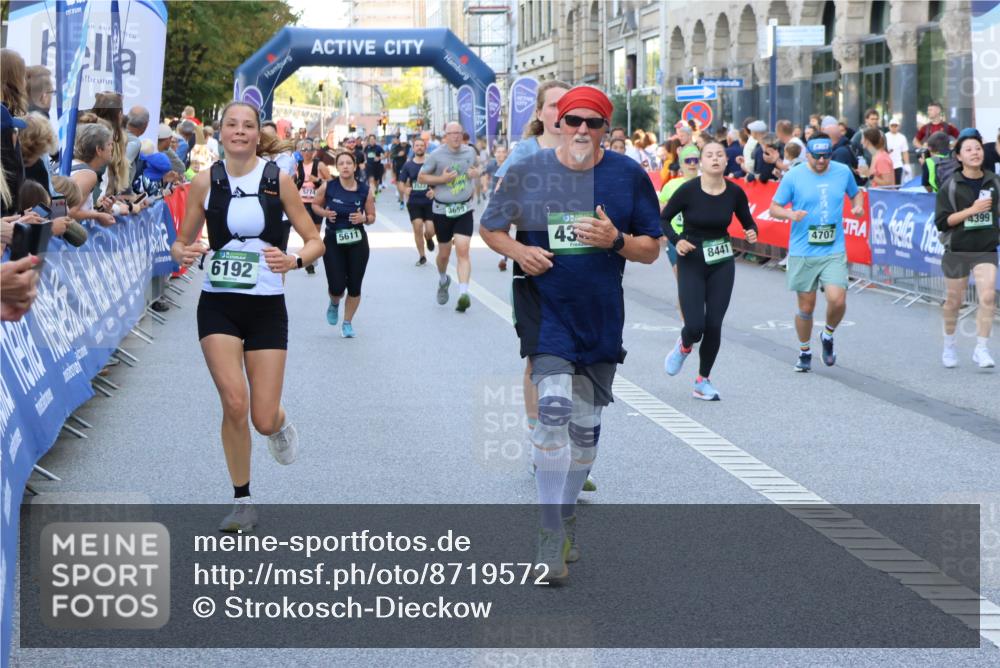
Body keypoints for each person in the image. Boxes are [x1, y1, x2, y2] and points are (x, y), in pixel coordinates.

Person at [480, 86, 660, 581]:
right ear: (556, 120)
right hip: (546, 306)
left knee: (583, 432)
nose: (581, 129)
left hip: (600, 312)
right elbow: (490, 226)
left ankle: (566, 511)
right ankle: (548, 528)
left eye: (593, 122)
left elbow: (650, 249)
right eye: (572, 119)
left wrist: (616, 240)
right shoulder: (527, 170)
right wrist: (519, 253)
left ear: (606, 129)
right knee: (553, 406)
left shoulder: (627, 176)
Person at [171, 101, 325, 532]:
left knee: (261, 416)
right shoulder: (205, 182)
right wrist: (183, 252)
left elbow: (316, 241)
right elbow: (180, 244)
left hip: (266, 305)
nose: (239, 131)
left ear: (259, 134)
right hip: (218, 301)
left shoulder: (279, 180)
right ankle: (243, 500)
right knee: (233, 401)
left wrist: (294, 261)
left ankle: (278, 423)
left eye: (248, 126)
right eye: (232, 125)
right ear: (220, 132)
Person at [661, 141, 759, 400]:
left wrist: (752, 232)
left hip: (722, 260)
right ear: (702, 162)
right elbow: (663, 218)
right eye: (709, 155)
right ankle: (683, 347)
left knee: (714, 324)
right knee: (695, 326)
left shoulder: (735, 193)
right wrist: (677, 239)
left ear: (726, 161)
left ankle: (702, 381)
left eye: (719, 155)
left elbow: (748, 222)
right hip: (692, 257)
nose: (715, 159)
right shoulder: (688, 190)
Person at [767, 134, 866, 372]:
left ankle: (828, 335)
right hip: (803, 250)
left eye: (826, 156)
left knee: (837, 299)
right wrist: (790, 215)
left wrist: (858, 205)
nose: (822, 161)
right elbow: (774, 208)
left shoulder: (842, 171)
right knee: (806, 307)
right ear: (807, 155)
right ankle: (804, 351)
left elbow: (856, 192)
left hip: (833, 249)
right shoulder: (793, 175)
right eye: (817, 156)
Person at [935, 131, 998, 369]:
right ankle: (949, 344)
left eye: (978, 148)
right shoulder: (950, 185)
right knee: (954, 301)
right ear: (959, 156)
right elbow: (942, 222)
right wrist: (972, 210)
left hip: (985, 248)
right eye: (969, 149)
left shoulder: (994, 181)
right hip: (958, 248)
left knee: (988, 296)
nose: (975, 152)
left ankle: (981, 348)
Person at [418, 120, 481, 312]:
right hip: (442, 210)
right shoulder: (437, 156)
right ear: (445, 136)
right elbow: (421, 177)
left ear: (462, 134)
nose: (455, 136)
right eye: (451, 133)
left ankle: (463, 294)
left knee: (463, 250)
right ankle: (443, 279)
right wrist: (441, 180)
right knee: (444, 254)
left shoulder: (470, 152)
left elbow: (476, 169)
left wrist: (475, 173)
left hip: (464, 209)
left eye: (458, 133)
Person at [312, 150, 375, 337]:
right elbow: (315, 205)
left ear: (355, 166)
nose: (345, 166)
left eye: (349, 163)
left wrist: (363, 218)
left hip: (357, 242)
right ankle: (334, 302)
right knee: (337, 286)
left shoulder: (365, 189)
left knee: (355, 285)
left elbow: (372, 216)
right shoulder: (328, 187)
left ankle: (347, 323)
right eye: (342, 163)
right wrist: (325, 214)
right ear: (337, 167)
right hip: (333, 241)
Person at [658, 143, 702, 277]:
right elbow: (661, 213)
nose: (692, 164)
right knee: (683, 284)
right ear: (682, 164)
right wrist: (666, 234)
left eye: (696, 160)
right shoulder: (671, 186)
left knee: (700, 285)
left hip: (701, 239)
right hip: (676, 238)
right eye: (688, 160)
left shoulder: (707, 184)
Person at [294, 138, 331, 274]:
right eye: (303, 150)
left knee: (315, 232)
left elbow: (330, 181)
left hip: (317, 201)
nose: (306, 152)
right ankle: (309, 260)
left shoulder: (319, 165)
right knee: (306, 232)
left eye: (308, 149)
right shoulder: (296, 165)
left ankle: (312, 254)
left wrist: (318, 180)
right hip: (302, 202)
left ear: (313, 152)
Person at [69, 123, 117, 227]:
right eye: (109, 144)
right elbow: (71, 212)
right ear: (99, 150)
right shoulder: (88, 175)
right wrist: (97, 215)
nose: (112, 148)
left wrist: (101, 209)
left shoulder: (69, 164)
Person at [398, 137, 436, 266]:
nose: (419, 147)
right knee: (417, 226)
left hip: (429, 201)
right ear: (413, 148)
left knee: (431, 229)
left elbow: (440, 180)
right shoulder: (408, 165)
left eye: (421, 145)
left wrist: (435, 191)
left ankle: (428, 237)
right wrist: (405, 189)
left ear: (425, 148)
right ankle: (422, 256)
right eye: (417, 146)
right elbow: (401, 182)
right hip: (414, 201)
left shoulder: (431, 163)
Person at [885, 118, 910, 185]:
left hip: (898, 164)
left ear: (898, 126)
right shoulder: (885, 136)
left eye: (895, 126)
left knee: (897, 184)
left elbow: (905, 151)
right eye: (892, 126)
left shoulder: (902, 137)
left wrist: (907, 164)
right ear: (889, 126)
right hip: (887, 164)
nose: (894, 127)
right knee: (888, 183)